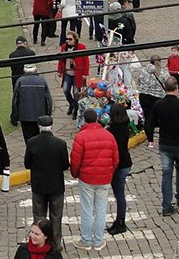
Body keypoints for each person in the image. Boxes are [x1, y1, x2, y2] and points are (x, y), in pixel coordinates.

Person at [71, 105, 120, 252]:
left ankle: (86, 240)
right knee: (100, 209)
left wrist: (76, 173)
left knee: (87, 209)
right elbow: (115, 159)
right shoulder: (109, 136)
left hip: (86, 178)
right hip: (104, 178)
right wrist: (109, 171)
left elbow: (75, 160)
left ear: (85, 120)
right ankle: (98, 240)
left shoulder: (81, 137)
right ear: (97, 118)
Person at [144, 77, 179, 217]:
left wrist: (151, 139)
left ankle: (166, 206)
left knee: (166, 174)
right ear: (176, 87)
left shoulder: (158, 105)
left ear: (165, 88)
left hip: (165, 144)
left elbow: (149, 124)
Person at [23, 114, 68, 230]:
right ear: (51, 126)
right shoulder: (60, 144)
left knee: (38, 217)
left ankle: (40, 242)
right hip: (56, 186)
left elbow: (27, 164)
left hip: (39, 186)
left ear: (39, 126)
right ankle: (56, 244)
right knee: (56, 217)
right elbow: (65, 166)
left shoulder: (32, 143)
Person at [106, 103, 133, 235]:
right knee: (120, 194)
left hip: (117, 164)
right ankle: (119, 220)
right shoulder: (125, 128)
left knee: (119, 194)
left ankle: (120, 221)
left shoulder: (111, 130)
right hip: (126, 162)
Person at [10, 63, 51, 143]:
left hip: (25, 117)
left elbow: (15, 100)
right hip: (41, 116)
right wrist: (48, 115)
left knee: (28, 140)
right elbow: (48, 100)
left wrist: (14, 116)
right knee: (40, 140)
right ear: (35, 70)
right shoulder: (42, 81)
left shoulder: (20, 81)